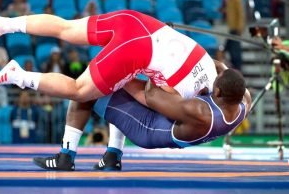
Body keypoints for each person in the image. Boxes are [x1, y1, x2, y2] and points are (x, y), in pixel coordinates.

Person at [0, 10, 220, 169]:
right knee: (79, 90)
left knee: (65, 29)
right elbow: (144, 95)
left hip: (141, 22)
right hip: (136, 47)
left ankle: (3, 23)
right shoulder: (180, 96)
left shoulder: (212, 69)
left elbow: (224, 70)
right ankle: (19, 75)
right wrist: (116, 76)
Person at [33, 66, 252, 171]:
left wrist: (150, 62)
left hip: (148, 128)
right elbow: (219, 67)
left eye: (217, 82)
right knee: (114, 84)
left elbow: (152, 95)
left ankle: (66, 158)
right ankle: (112, 157)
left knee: (86, 92)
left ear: (219, 93)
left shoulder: (201, 112)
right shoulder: (244, 102)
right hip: (168, 123)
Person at [223, 0, 244, 71]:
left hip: (236, 29)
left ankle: (238, 70)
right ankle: (233, 70)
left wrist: (240, 27)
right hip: (230, 28)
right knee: (229, 50)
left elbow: (241, 14)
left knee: (235, 52)